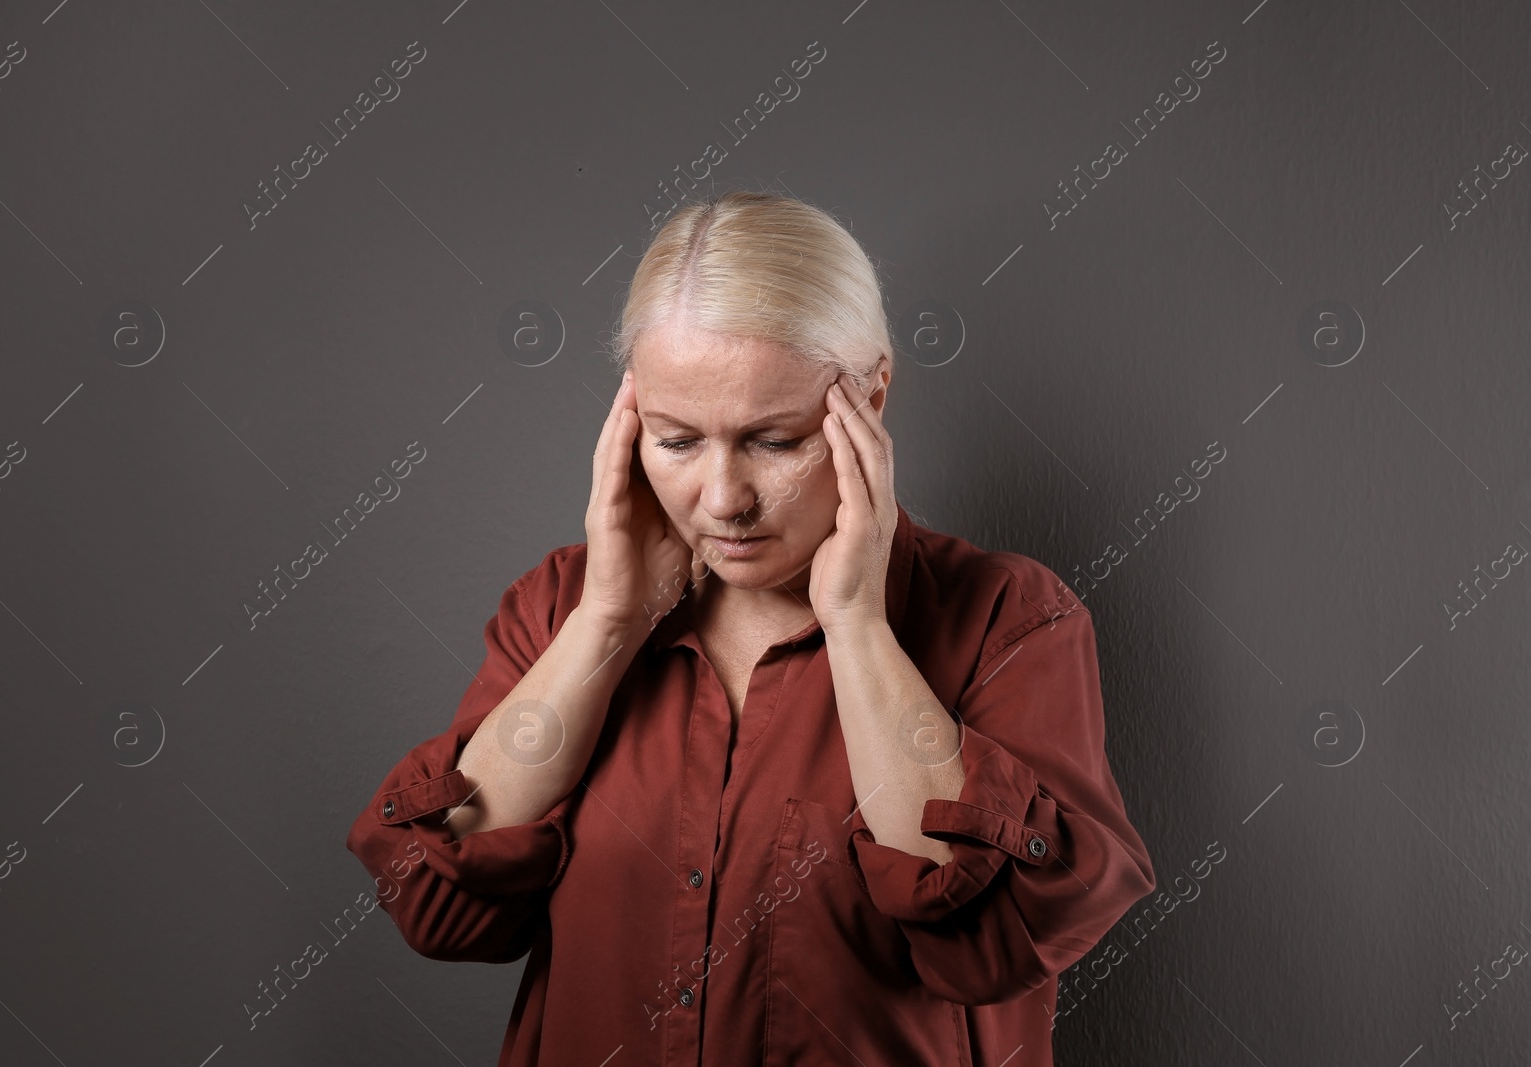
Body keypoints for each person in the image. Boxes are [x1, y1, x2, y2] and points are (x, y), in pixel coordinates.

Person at [346, 189, 1156, 1065]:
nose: (724, 499)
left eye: (773, 440)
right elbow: (435, 895)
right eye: (677, 439)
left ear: (872, 397)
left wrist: (856, 624)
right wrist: (609, 622)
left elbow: (1002, 931)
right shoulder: (559, 609)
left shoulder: (1007, 622)